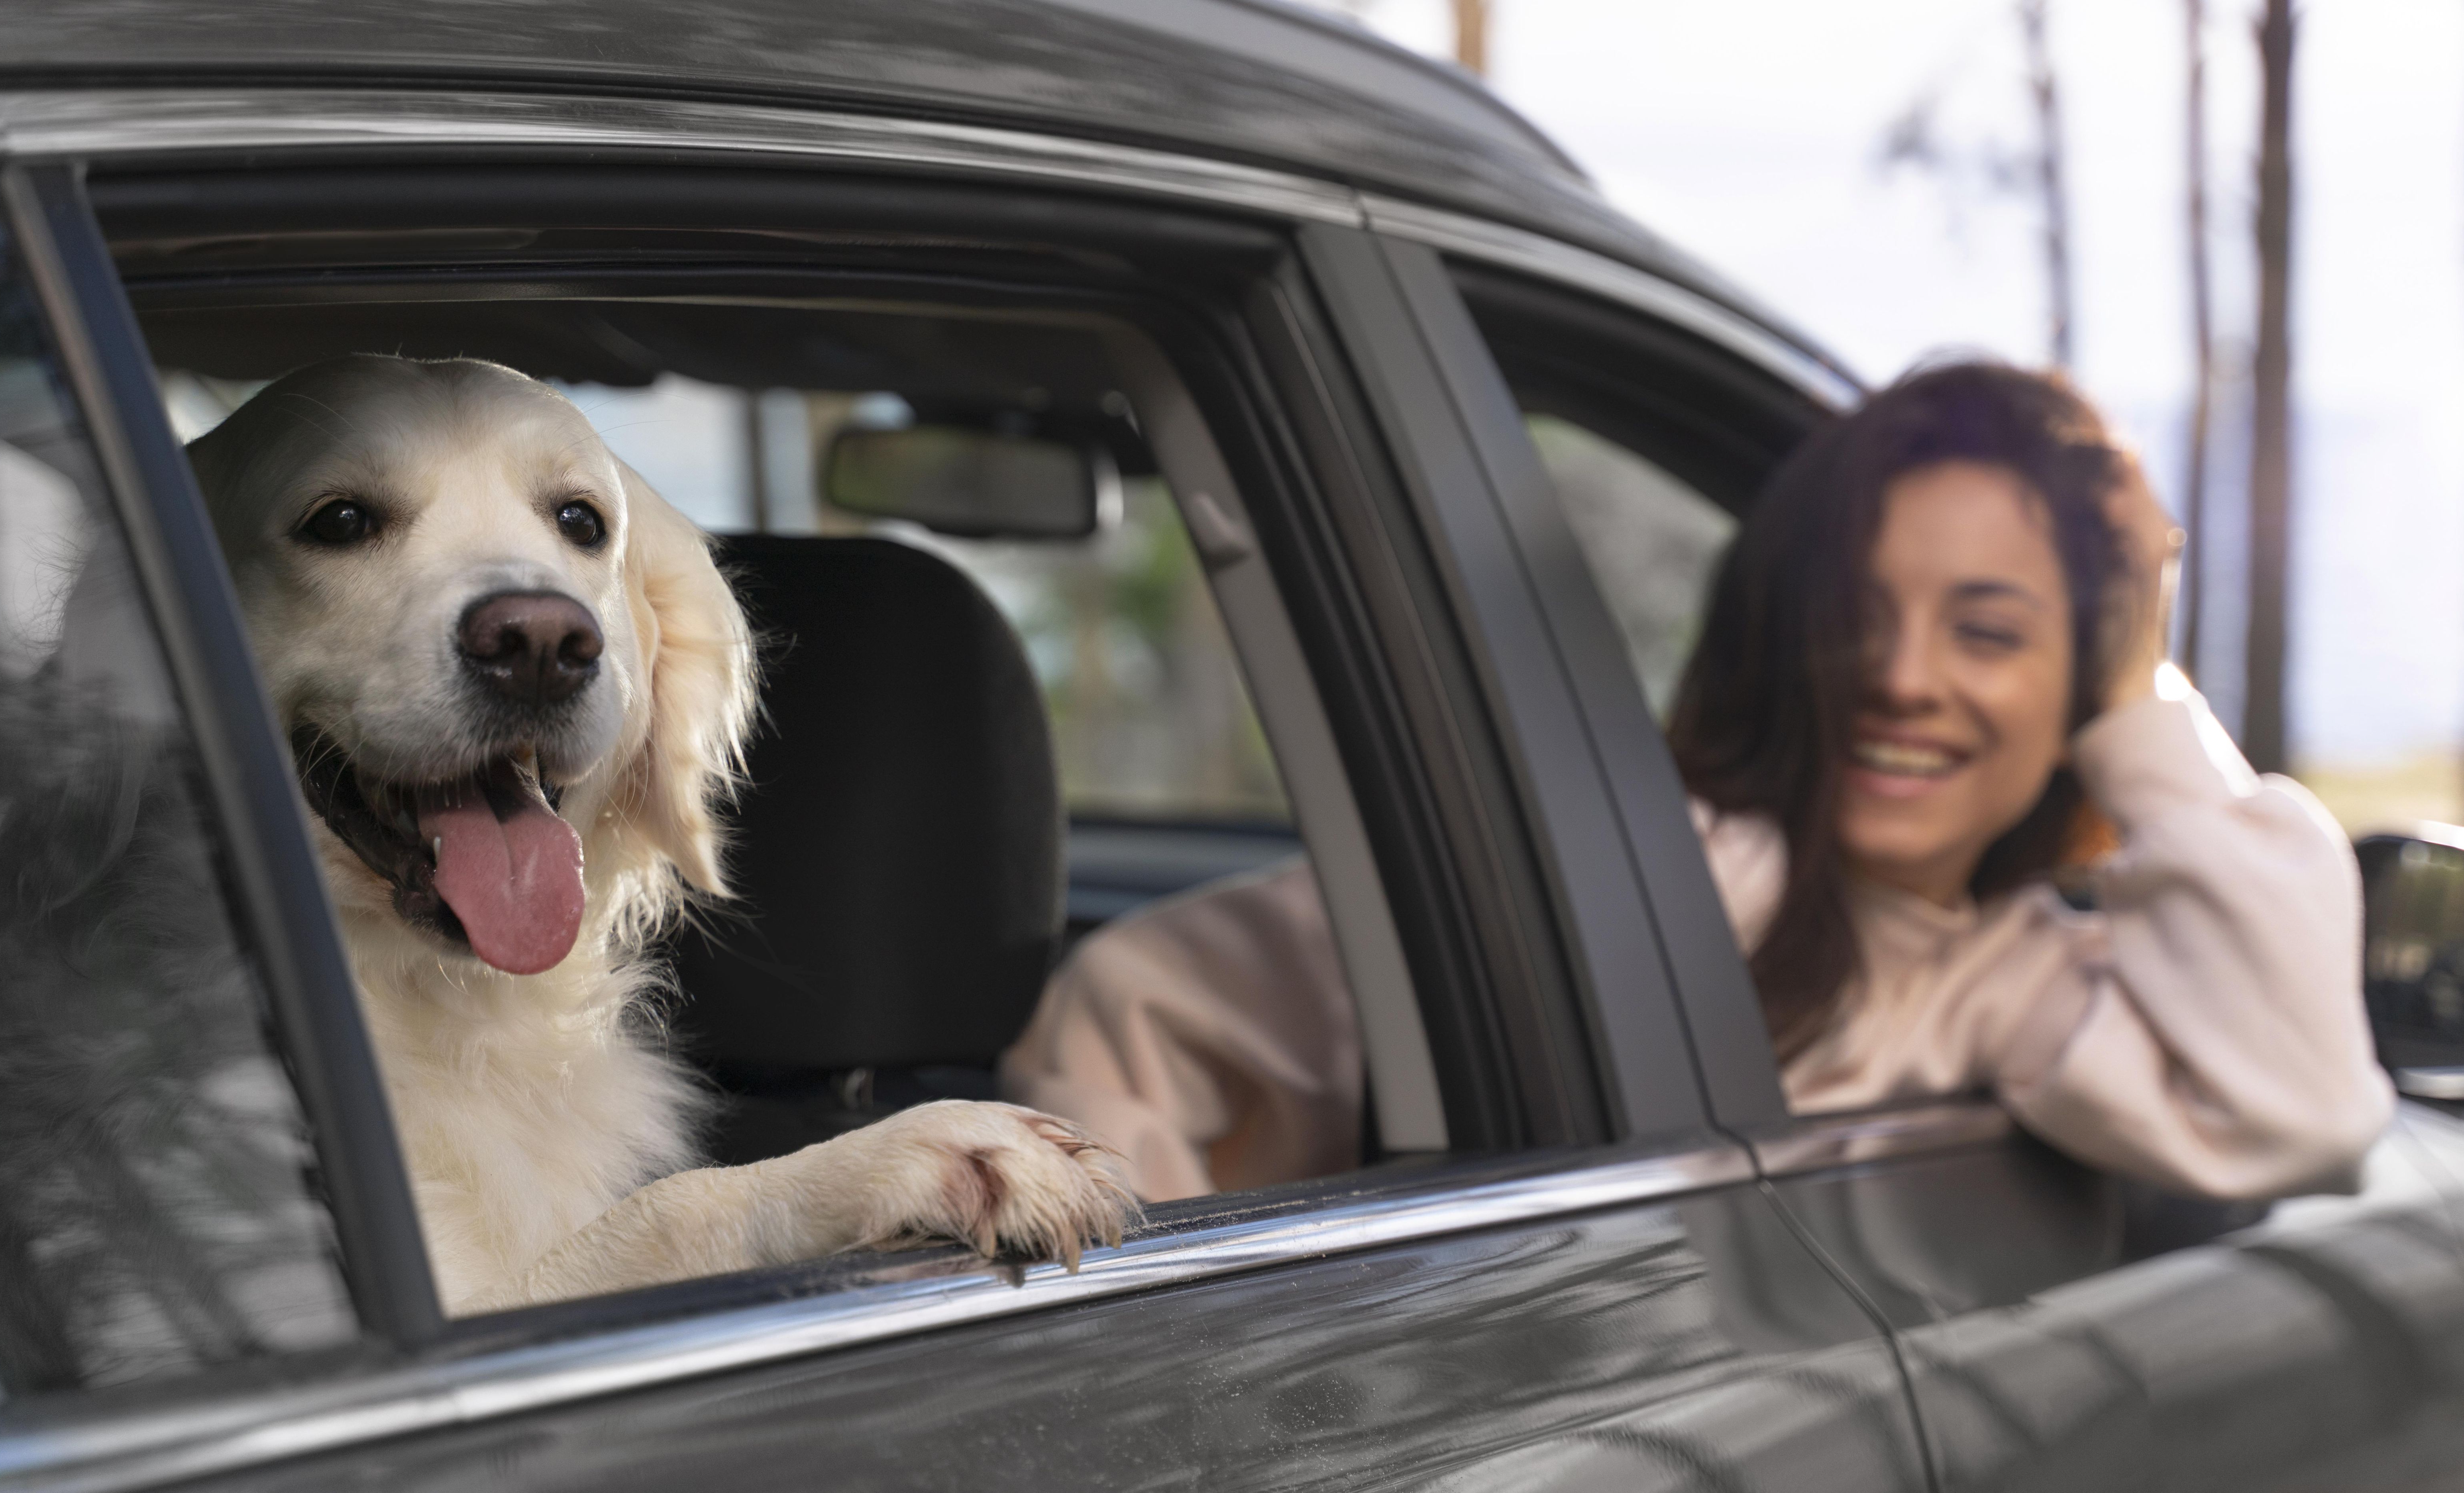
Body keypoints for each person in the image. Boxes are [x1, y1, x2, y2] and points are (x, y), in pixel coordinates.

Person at [999, 361, 2393, 1205]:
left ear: (2076, 692)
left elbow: (2299, 1109)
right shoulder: (1686, 869)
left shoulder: (2020, 982)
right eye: (1858, 610)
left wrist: (2145, 691)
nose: (1902, 675)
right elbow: (1136, 1010)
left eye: (1987, 631)